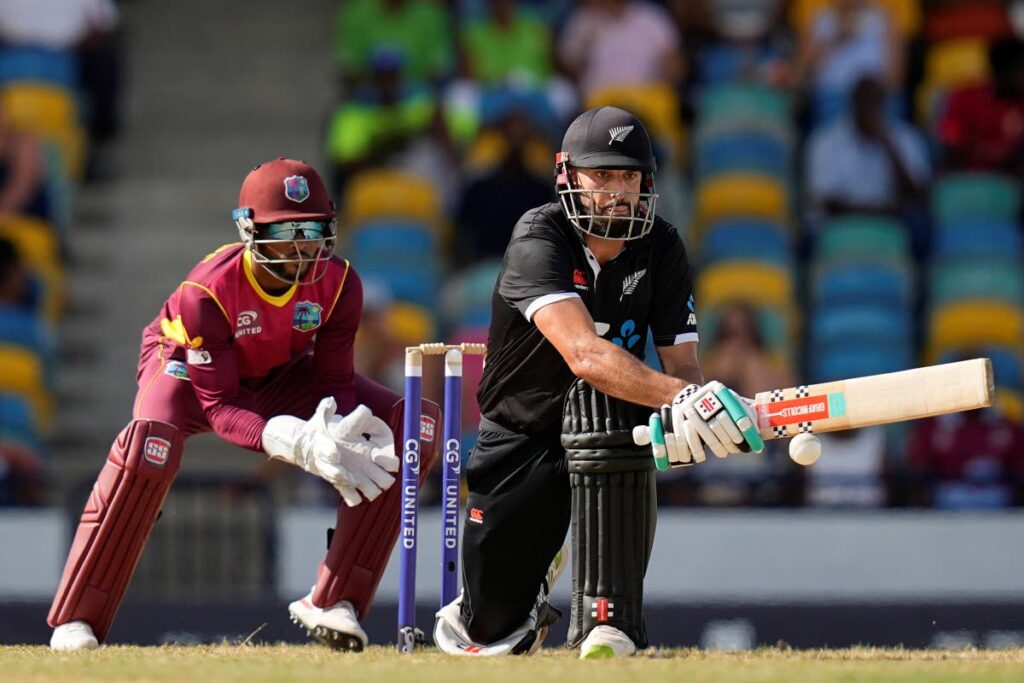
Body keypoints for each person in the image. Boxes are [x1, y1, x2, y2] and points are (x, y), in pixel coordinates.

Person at [46, 158, 442, 651]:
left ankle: (334, 602)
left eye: (314, 230)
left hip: (280, 372)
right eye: (286, 232)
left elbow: (334, 381)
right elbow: (221, 407)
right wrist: (296, 443)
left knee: (416, 426)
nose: (302, 249)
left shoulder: (340, 284)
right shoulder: (206, 292)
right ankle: (77, 619)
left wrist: (338, 429)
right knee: (150, 447)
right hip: (188, 372)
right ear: (250, 230)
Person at [432, 106, 762, 659]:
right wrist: (687, 399)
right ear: (569, 177)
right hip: (521, 432)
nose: (617, 191)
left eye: (628, 177)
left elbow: (682, 366)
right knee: (489, 629)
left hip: (609, 432)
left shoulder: (662, 246)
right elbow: (584, 354)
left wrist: (692, 414)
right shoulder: (538, 238)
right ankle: (526, 592)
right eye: (602, 176)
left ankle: (609, 623)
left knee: (607, 407)